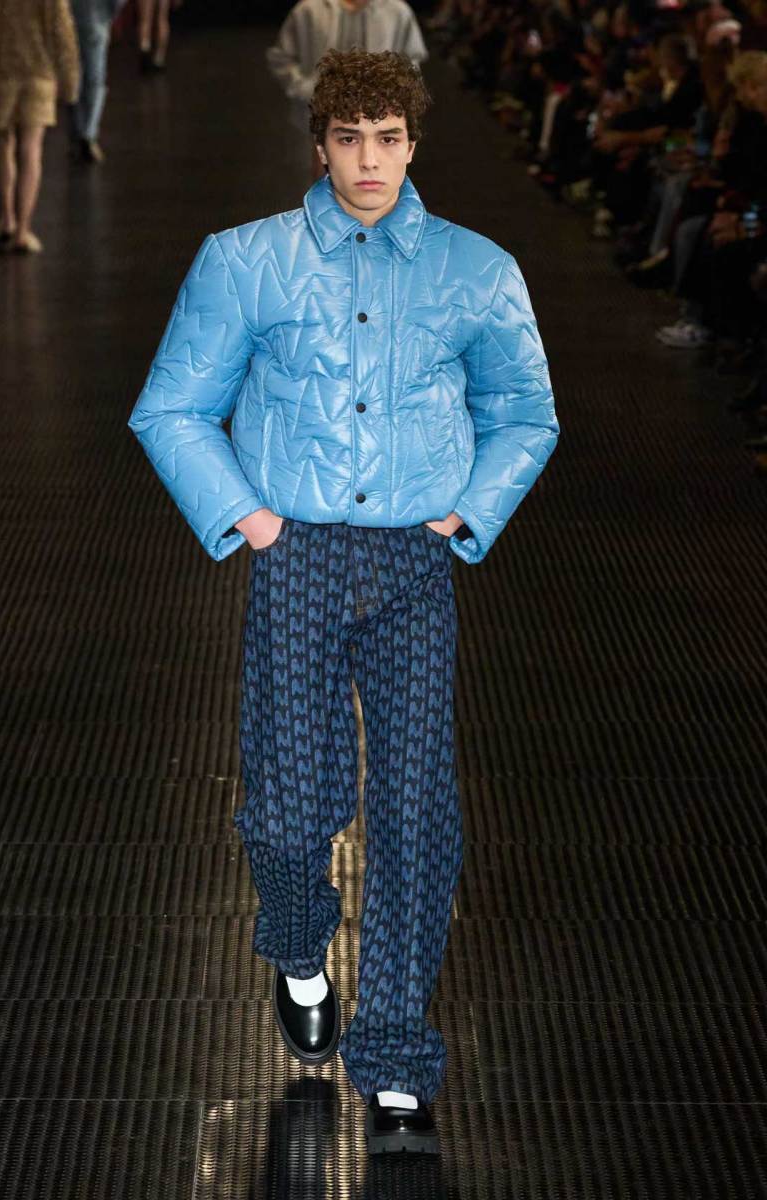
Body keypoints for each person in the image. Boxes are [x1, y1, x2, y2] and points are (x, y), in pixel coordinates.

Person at [128, 47, 559, 1155]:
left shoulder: (475, 270)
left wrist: (467, 512)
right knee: (285, 806)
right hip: (300, 554)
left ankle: (397, 1059)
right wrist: (251, 518)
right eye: (349, 138)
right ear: (319, 144)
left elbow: (524, 410)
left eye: (389, 139)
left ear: (414, 144)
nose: (369, 160)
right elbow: (172, 406)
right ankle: (296, 941)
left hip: (415, 561)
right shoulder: (246, 261)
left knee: (414, 808)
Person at [265, 0, 428, 178]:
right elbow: (281, 57)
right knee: (323, 173)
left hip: (380, 114)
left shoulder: (397, 11)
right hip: (318, 113)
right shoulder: (309, 9)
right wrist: (306, 88)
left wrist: (393, 96)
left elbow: (411, 62)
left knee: (374, 172)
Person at [0, 0, 80, 253]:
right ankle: (23, 231)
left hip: (1, 73)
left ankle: (8, 218)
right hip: (41, 74)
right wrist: (70, 81)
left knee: (3, 144)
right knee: (32, 150)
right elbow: (62, 30)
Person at [69, 0, 127, 163]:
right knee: (95, 80)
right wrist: (109, 15)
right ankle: (89, 133)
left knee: (75, 78)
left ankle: (77, 130)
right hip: (97, 19)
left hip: (71, 21)